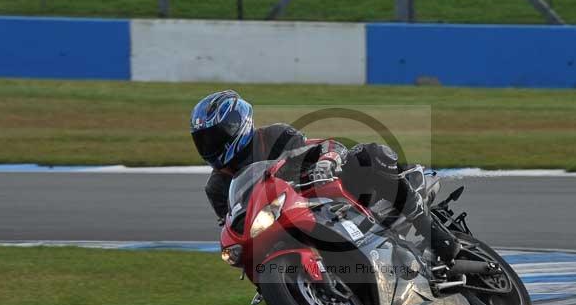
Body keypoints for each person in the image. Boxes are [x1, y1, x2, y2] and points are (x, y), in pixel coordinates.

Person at [189, 90, 459, 264]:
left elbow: (324, 147)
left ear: (237, 126)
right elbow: (234, 224)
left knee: (369, 155)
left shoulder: (274, 136)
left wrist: (326, 162)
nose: (210, 145)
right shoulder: (217, 187)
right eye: (203, 140)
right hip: (286, 225)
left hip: (325, 196)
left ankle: (435, 234)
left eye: (215, 136)